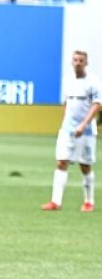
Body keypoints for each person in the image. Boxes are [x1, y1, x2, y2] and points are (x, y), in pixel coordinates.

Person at [42, 50, 102, 212]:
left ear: (86, 63)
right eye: (75, 60)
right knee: (61, 161)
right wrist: (64, 123)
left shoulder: (93, 82)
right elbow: (66, 103)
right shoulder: (68, 80)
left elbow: (97, 104)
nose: (77, 63)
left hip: (86, 131)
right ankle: (56, 201)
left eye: (80, 60)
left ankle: (89, 201)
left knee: (85, 165)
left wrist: (84, 124)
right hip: (68, 130)